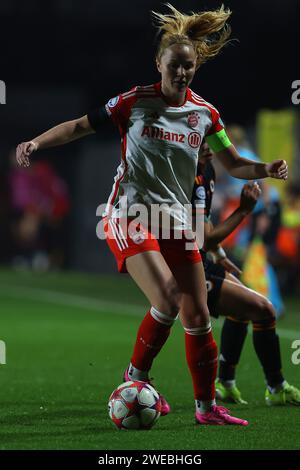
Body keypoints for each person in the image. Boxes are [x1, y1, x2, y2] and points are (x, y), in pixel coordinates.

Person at [16, 4, 288, 426]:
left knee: (197, 314)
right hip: (130, 213)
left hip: (176, 221)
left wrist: (264, 169)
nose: (182, 73)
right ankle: (135, 377)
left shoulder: (205, 114)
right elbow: (78, 126)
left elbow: (233, 163)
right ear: (158, 63)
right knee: (168, 298)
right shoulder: (134, 102)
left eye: (189, 67)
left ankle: (206, 408)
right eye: (175, 65)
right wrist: (35, 142)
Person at [192, 143, 299, 405]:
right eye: (201, 142)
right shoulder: (187, 176)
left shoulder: (206, 173)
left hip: (200, 259)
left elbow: (204, 231)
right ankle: (276, 388)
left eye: (211, 143)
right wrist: (244, 210)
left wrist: (219, 256)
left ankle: (226, 384)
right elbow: (203, 237)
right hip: (183, 266)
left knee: (244, 308)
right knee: (264, 310)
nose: (209, 149)